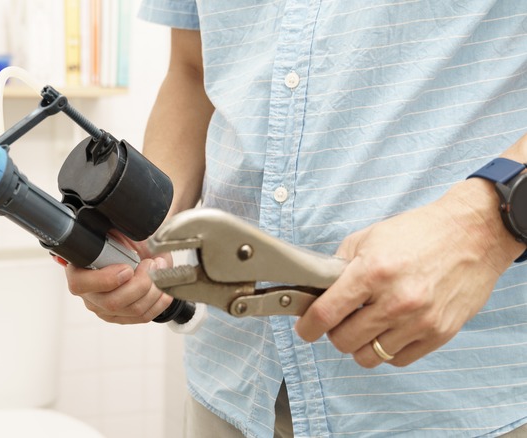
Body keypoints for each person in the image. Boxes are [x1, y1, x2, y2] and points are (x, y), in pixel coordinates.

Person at [61, 1, 527, 436]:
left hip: (454, 396)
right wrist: (147, 225)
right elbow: (192, 68)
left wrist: (482, 229)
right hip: (232, 384)